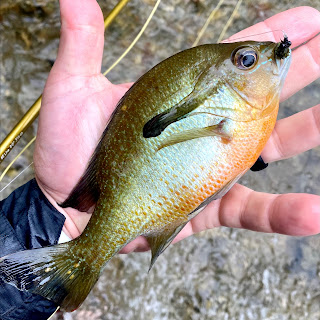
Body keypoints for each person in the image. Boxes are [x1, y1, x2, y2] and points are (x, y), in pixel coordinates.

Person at [0, 1, 319, 318]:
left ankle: (71, 264)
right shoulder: (244, 116)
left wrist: (48, 216)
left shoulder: (251, 112)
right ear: (210, 87)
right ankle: (78, 261)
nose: (264, 56)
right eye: (246, 60)